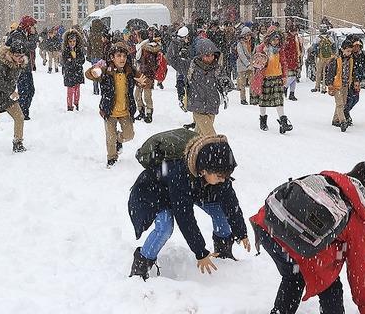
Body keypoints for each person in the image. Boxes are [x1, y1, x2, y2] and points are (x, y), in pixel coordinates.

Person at [250, 161, 365, 314]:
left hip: (268, 225)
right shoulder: (357, 216)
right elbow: (359, 270)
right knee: (330, 285)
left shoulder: (324, 180)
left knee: (294, 277)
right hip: (293, 242)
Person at [128, 132, 249, 280]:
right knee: (165, 227)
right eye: (219, 176)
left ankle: (223, 253)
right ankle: (141, 266)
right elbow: (185, 218)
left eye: (226, 176)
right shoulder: (181, 174)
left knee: (220, 211)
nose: (223, 180)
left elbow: (231, 204)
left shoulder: (218, 175)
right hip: (153, 193)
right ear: (204, 170)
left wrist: (241, 232)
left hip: (194, 189)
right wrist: (200, 252)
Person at [86, 43, 147, 168]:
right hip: (109, 110)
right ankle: (112, 158)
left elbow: (144, 81)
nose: (122, 59)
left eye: (124, 56)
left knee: (129, 135)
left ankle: (119, 140)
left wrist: (142, 83)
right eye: (118, 56)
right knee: (110, 136)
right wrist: (94, 71)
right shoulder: (106, 70)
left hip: (125, 111)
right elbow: (89, 74)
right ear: (112, 57)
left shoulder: (130, 71)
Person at [251, 27, 293, 133]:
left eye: (277, 39)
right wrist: (262, 54)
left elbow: (283, 63)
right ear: (269, 38)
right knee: (263, 101)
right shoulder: (262, 48)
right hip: (265, 78)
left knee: (279, 101)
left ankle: (283, 121)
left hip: (277, 78)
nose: (276, 42)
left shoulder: (280, 50)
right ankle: (263, 120)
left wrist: (284, 76)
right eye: (274, 39)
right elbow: (256, 64)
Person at [186, 38, 224, 136]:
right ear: (201, 55)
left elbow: (223, 80)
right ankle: (217, 149)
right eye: (207, 55)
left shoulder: (217, 68)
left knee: (199, 135)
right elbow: (172, 58)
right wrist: (176, 41)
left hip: (212, 106)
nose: (210, 58)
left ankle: (190, 149)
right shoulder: (191, 66)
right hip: (197, 106)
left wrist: (226, 83)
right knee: (210, 136)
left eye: (212, 55)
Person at [7, 16, 38, 120]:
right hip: (20, 69)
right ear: (27, 26)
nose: (34, 28)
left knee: (30, 90)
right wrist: (33, 37)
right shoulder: (17, 35)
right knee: (24, 91)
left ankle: (23, 110)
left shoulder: (24, 35)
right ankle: (21, 113)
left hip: (26, 68)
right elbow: (27, 46)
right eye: (32, 26)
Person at [325, 40, 357, 133]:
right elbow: (330, 73)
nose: (349, 53)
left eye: (350, 51)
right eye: (347, 51)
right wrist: (330, 84)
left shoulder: (350, 59)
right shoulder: (336, 59)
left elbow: (351, 71)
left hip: (346, 84)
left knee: (342, 103)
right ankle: (343, 121)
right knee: (340, 104)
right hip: (336, 85)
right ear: (342, 49)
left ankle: (335, 120)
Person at [134, 33, 162, 123]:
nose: (136, 38)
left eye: (138, 36)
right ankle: (141, 111)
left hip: (146, 75)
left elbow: (150, 64)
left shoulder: (147, 49)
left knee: (146, 96)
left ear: (141, 38)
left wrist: (144, 70)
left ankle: (148, 113)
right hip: (140, 74)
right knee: (137, 94)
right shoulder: (141, 47)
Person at [344, 37, 365, 126]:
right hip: (350, 80)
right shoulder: (350, 56)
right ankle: (345, 114)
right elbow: (353, 69)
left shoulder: (361, 55)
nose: (357, 48)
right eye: (355, 46)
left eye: (359, 46)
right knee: (349, 98)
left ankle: (346, 112)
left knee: (355, 99)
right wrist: (355, 79)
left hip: (358, 80)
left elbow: (364, 64)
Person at [167, 25, 192, 108]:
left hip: (185, 67)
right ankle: (182, 100)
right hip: (183, 66)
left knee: (183, 83)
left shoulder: (176, 42)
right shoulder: (176, 43)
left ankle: (183, 100)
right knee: (181, 82)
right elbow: (172, 57)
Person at [61, 29, 86, 111]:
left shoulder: (79, 50)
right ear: (67, 42)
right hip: (69, 73)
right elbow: (65, 62)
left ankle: (76, 103)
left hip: (78, 72)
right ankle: (69, 105)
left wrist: (74, 61)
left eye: (74, 41)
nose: (72, 43)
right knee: (70, 90)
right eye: (70, 41)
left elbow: (82, 60)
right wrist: (71, 62)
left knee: (77, 89)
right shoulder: (66, 51)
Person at [280, 24, 302, 101]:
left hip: (295, 59)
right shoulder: (288, 39)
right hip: (290, 60)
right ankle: (285, 88)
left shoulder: (295, 38)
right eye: (294, 31)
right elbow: (285, 50)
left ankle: (292, 93)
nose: (296, 32)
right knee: (291, 77)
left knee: (294, 77)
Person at [88, 19, 108, 95]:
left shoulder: (91, 34)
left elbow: (89, 46)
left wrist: (89, 55)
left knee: (94, 73)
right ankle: (102, 88)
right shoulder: (102, 33)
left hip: (94, 55)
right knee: (102, 72)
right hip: (101, 56)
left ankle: (95, 89)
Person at [235, 26, 254, 105]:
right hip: (242, 65)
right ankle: (243, 99)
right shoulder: (240, 43)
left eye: (249, 35)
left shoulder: (252, 43)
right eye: (246, 35)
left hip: (251, 64)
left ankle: (252, 97)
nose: (248, 37)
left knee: (252, 82)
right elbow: (241, 55)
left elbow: (254, 53)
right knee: (242, 84)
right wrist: (247, 64)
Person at [313, 26, 335, 94]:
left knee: (319, 72)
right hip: (329, 57)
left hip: (321, 57)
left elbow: (314, 47)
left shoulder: (318, 38)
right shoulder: (330, 38)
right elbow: (334, 47)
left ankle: (317, 87)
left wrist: (317, 54)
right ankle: (324, 87)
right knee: (326, 73)